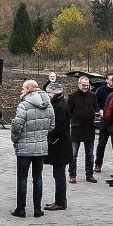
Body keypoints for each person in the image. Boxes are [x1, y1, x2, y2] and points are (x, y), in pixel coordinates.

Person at [10, 80, 55, 218]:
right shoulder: (49, 105)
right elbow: (52, 126)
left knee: (22, 178)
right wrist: (42, 136)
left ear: (29, 89)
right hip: (41, 147)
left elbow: (17, 125)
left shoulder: (23, 106)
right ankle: (37, 209)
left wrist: (15, 138)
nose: (21, 91)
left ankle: (21, 209)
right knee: (38, 178)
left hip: (24, 148)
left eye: (23, 88)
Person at [44, 82, 72, 211]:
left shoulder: (61, 106)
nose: (47, 95)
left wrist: (48, 139)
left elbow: (59, 128)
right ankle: (59, 200)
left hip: (60, 145)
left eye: (49, 93)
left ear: (54, 93)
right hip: (60, 144)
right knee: (58, 174)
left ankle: (60, 202)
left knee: (59, 174)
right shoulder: (59, 104)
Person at [67, 76, 98, 184]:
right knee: (73, 154)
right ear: (79, 84)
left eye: (87, 85)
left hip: (89, 128)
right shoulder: (72, 96)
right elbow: (68, 112)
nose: (86, 87)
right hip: (77, 128)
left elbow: (96, 108)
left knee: (90, 154)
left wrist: (98, 113)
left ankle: (89, 174)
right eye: (84, 85)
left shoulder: (93, 96)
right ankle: (72, 174)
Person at [93, 74, 113, 173]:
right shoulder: (101, 90)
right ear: (106, 80)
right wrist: (99, 110)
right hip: (105, 120)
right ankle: (98, 164)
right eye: (110, 79)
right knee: (102, 143)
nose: (112, 81)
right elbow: (95, 103)